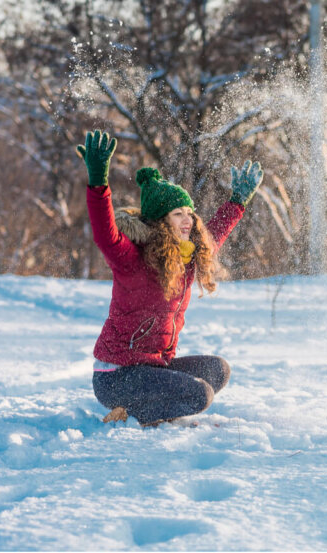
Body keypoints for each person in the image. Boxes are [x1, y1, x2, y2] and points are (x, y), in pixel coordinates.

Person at [76, 130, 263, 427]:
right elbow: (105, 234)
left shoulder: (186, 256)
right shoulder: (132, 259)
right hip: (117, 376)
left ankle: (153, 411)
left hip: (152, 367)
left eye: (189, 212)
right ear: (161, 221)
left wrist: (237, 202)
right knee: (200, 395)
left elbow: (213, 237)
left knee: (218, 371)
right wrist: (98, 183)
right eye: (178, 213)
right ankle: (130, 415)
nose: (188, 219)